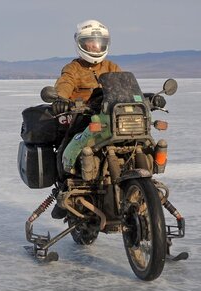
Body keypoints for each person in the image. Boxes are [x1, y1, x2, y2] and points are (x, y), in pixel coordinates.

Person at [50, 19, 122, 219]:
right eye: (90, 42)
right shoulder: (73, 68)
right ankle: (64, 190)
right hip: (84, 117)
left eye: (98, 42)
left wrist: (146, 98)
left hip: (110, 118)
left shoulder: (112, 66)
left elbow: (126, 86)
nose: (94, 46)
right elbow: (65, 83)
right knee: (67, 147)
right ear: (80, 44)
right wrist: (61, 99)